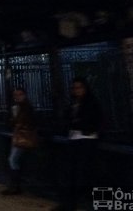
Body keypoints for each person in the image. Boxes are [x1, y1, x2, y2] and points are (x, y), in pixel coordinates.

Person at [55, 76, 102, 211]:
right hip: (75, 138)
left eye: (79, 87)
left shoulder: (91, 103)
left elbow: (92, 121)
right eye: (74, 88)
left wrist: (79, 124)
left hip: (87, 139)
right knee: (71, 173)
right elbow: (68, 119)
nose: (76, 91)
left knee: (81, 173)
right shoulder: (73, 103)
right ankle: (70, 203)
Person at [2, 86, 38, 195]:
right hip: (20, 136)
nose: (17, 97)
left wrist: (16, 122)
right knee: (15, 160)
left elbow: (25, 122)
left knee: (13, 159)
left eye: (19, 94)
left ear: (24, 95)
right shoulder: (19, 107)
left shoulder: (26, 108)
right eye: (15, 95)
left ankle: (15, 186)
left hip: (22, 136)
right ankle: (15, 185)